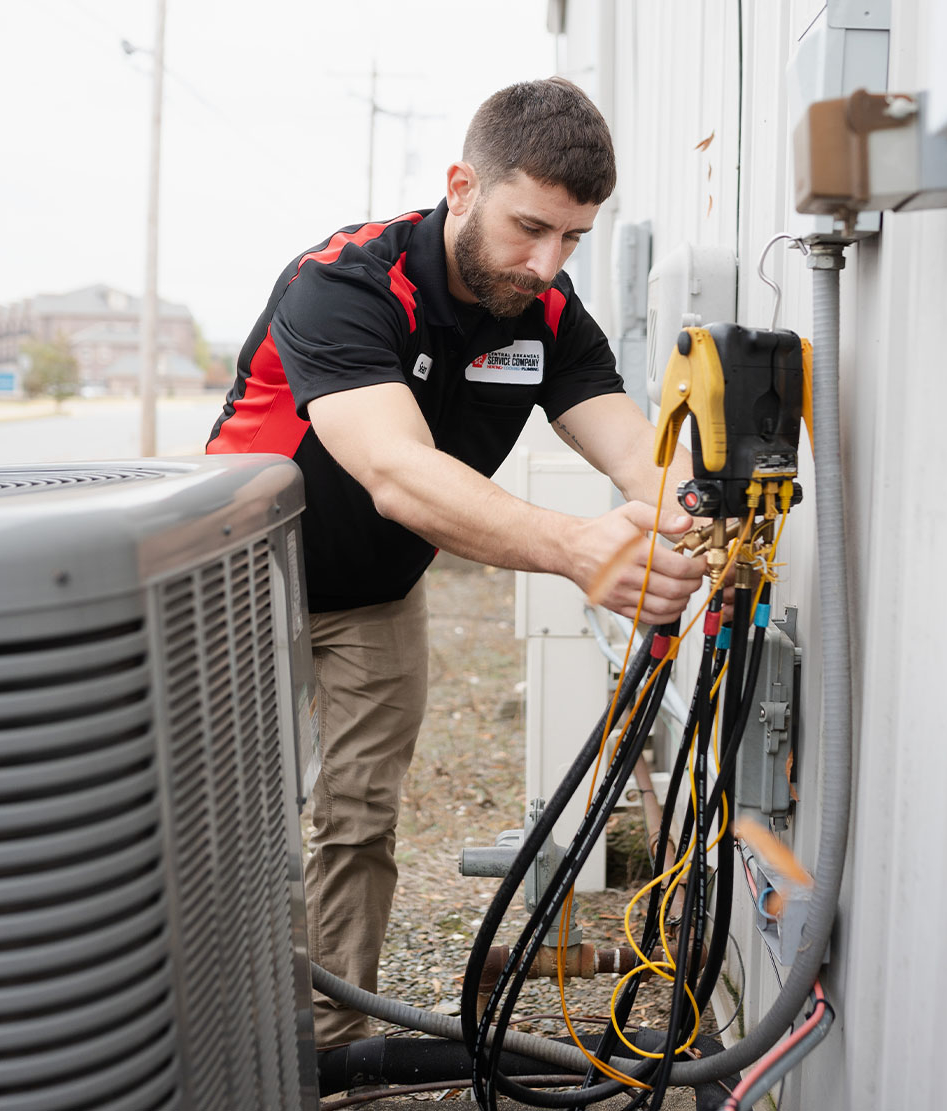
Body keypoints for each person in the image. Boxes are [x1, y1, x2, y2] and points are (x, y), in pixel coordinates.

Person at [207, 76, 705, 1047]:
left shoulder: (547, 313)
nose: (546, 261)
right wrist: (574, 548)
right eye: (529, 227)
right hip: (236, 583)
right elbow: (395, 470)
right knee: (225, 823)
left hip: (376, 596)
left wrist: (699, 513)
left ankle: (329, 1044)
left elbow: (637, 455)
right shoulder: (344, 281)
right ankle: (209, 1033)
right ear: (462, 185)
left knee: (355, 818)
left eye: (572, 239)